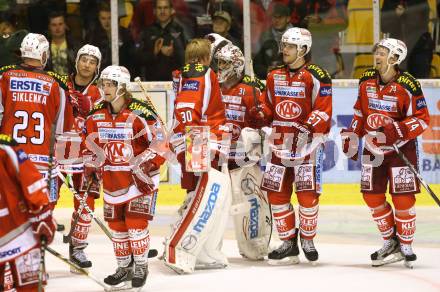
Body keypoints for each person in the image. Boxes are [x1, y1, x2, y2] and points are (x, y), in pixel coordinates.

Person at [340, 38, 430, 268]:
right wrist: (352, 134)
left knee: (403, 199)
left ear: (395, 58)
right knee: (372, 196)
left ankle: (406, 244)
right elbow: (360, 112)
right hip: (372, 149)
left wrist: (397, 129)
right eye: (377, 52)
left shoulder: (408, 85)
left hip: (401, 149)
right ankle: (391, 241)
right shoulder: (366, 80)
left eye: (382, 53)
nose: (377, 56)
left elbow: (422, 119)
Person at [82, 65, 166, 289]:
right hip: (112, 181)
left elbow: (161, 143)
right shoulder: (96, 114)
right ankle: (124, 268)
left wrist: (145, 164)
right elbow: (89, 144)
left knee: (136, 225)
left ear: (123, 87)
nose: (105, 88)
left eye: (110, 84)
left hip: (140, 181)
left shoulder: (141, 112)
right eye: (103, 84)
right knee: (118, 228)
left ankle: (140, 266)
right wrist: (91, 164)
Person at [260, 27, 332, 265]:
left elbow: (323, 110)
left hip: (307, 148)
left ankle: (308, 240)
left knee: (307, 196)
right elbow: (269, 106)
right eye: (284, 45)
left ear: (303, 49)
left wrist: (308, 128)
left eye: (290, 46)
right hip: (279, 146)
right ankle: (288, 242)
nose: (284, 50)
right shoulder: (273, 75)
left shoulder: (318, 76)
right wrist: (260, 113)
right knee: (276, 195)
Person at [164, 38, 231, 274]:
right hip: (199, 138)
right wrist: (194, 139)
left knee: (195, 193)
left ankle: (192, 244)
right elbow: (188, 108)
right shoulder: (201, 72)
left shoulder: (182, 74)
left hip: (192, 138)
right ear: (206, 58)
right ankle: (182, 247)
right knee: (205, 196)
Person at [0, 33, 74, 208]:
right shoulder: (57, 84)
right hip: (42, 164)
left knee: (10, 217)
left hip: (10, 160)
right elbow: (63, 128)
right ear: (43, 55)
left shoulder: (5, 77)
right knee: (42, 217)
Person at [215, 43, 273, 260]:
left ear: (237, 66)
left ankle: (254, 244)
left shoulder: (251, 91)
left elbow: (264, 128)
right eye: (219, 62)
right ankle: (207, 248)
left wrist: (262, 117)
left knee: (250, 204)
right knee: (215, 208)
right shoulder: (214, 88)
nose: (220, 67)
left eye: (225, 63)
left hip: (243, 161)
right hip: (217, 159)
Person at [55, 44, 103, 270]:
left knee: (85, 203)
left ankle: (78, 248)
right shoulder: (60, 82)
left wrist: (92, 107)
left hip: (85, 157)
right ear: (77, 61)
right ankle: (35, 244)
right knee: (46, 200)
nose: (87, 64)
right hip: (57, 152)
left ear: (97, 67)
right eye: (84, 59)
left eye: (92, 62)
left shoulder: (101, 91)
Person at [0, 134, 56, 291]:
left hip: (21, 235)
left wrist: (42, 217)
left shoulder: (6, 148)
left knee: (30, 288)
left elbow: (32, 183)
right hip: (21, 235)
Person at [137, 0, 187, 81]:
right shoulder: (147, 31)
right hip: (151, 85)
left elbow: (187, 59)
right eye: (159, 8)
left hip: (175, 83)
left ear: (172, 10)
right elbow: (138, 59)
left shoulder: (179, 30)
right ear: (154, 11)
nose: (162, 11)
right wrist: (154, 52)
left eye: (165, 8)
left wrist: (173, 53)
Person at [253, 3, 293, 80]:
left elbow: (302, 62)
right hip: (268, 80)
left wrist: (283, 70)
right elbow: (257, 64)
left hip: (290, 80)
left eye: (280, 17)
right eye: (274, 17)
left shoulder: (297, 37)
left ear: (288, 19)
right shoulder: (264, 37)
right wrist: (267, 70)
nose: (277, 20)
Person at [45, 11, 80, 75]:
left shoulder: (76, 46)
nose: (57, 28)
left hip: (71, 83)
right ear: (49, 27)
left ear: (65, 25)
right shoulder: (44, 47)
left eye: (60, 24)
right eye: (54, 25)